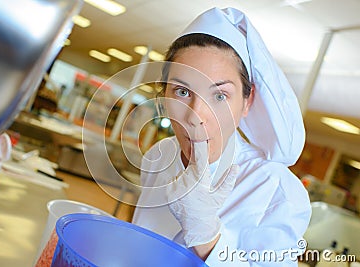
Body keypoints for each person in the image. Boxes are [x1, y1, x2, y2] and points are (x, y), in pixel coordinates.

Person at [132, 7, 311, 266]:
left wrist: (208, 238)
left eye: (219, 96)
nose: (196, 116)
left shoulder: (277, 190)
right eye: (182, 91)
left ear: (247, 103)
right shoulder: (158, 156)